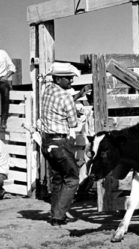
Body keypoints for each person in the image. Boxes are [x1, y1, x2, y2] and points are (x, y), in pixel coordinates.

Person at [40, 62, 81, 226]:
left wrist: (76, 97)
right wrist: (77, 108)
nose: (71, 81)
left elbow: (59, 102)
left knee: (57, 178)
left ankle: (55, 214)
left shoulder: (47, 90)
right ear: (58, 79)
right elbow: (73, 123)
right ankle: (58, 216)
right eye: (68, 79)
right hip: (60, 142)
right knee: (72, 178)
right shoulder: (65, 98)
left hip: (47, 141)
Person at [0, 49, 16, 129]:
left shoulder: (3, 53)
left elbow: (12, 67)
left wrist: (6, 77)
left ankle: (3, 120)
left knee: (5, 91)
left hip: (1, 80)